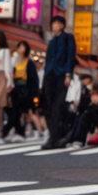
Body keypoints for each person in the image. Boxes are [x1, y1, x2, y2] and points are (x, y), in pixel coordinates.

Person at [40, 16, 75, 149]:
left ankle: (53, 138)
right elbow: (49, 59)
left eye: (57, 23)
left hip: (62, 75)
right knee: (48, 105)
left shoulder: (68, 38)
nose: (54, 26)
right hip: (49, 75)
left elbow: (70, 56)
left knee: (57, 106)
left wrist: (68, 75)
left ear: (62, 25)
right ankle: (62, 134)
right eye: (53, 23)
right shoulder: (52, 41)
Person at [6, 41, 40, 143]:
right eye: (19, 47)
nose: (21, 49)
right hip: (15, 89)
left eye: (23, 47)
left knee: (27, 112)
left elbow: (34, 79)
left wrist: (34, 93)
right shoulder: (14, 61)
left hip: (26, 90)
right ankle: (19, 132)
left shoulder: (29, 62)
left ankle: (29, 131)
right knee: (15, 112)